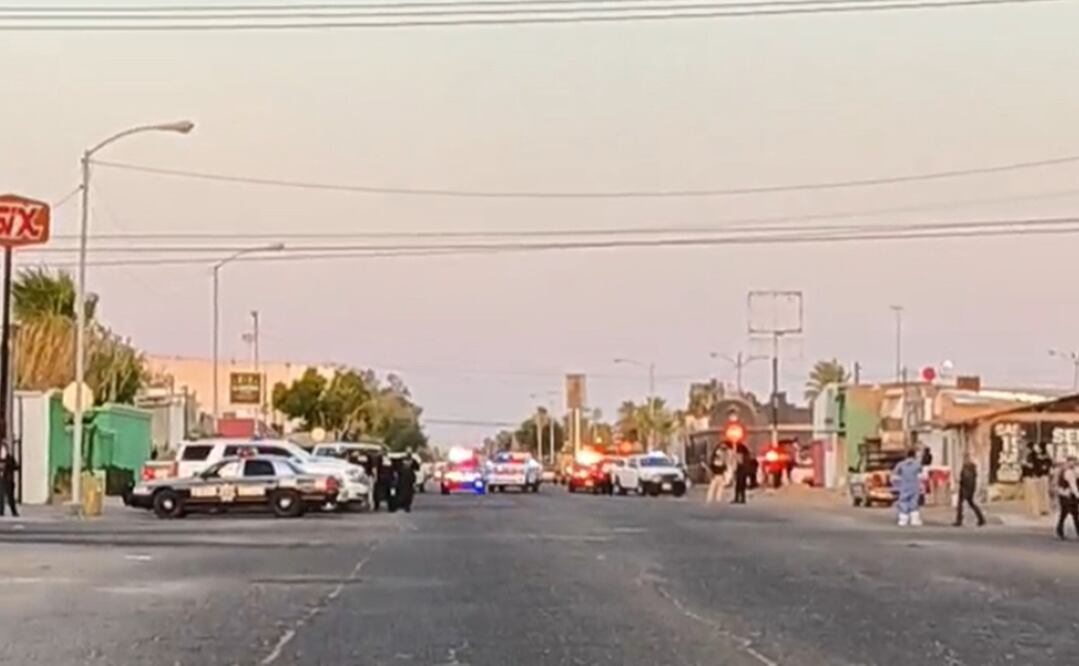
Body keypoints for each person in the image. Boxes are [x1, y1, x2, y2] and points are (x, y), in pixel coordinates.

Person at [953, 452, 986, 527]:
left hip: (965, 488)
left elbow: (966, 478)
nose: (964, 459)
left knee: (961, 504)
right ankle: (981, 519)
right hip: (969, 488)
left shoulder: (967, 467)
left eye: (965, 458)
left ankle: (959, 520)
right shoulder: (971, 467)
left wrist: (963, 485)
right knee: (970, 504)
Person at [892, 448, 923, 527]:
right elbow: (921, 476)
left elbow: (894, 476)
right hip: (914, 486)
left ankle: (903, 519)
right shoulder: (917, 464)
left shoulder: (900, 464)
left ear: (906, 455)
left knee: (903, 501)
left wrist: (896, 485)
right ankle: (914, 520)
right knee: (914, 501)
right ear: (914, 455)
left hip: (904, 486)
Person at [1055, 456, 1079, 540]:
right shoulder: (1067, 472)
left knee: (1066, 514)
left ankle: (1059, 530)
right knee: (1073, 513)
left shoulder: (1073, 471)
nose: (1073, 463)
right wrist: (1078, 495)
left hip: (1067, 495)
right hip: (1067, 495)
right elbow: (1073, 485)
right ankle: (1060, 530)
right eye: (1072, 462)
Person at [0, 444, 19, 518]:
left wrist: (9, 467)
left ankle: (14, 511)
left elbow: (16, 466)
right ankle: (1, 511)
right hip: (1, 479)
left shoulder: (10, 458)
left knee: (10, 497)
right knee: (1, 496)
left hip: (8, 480)